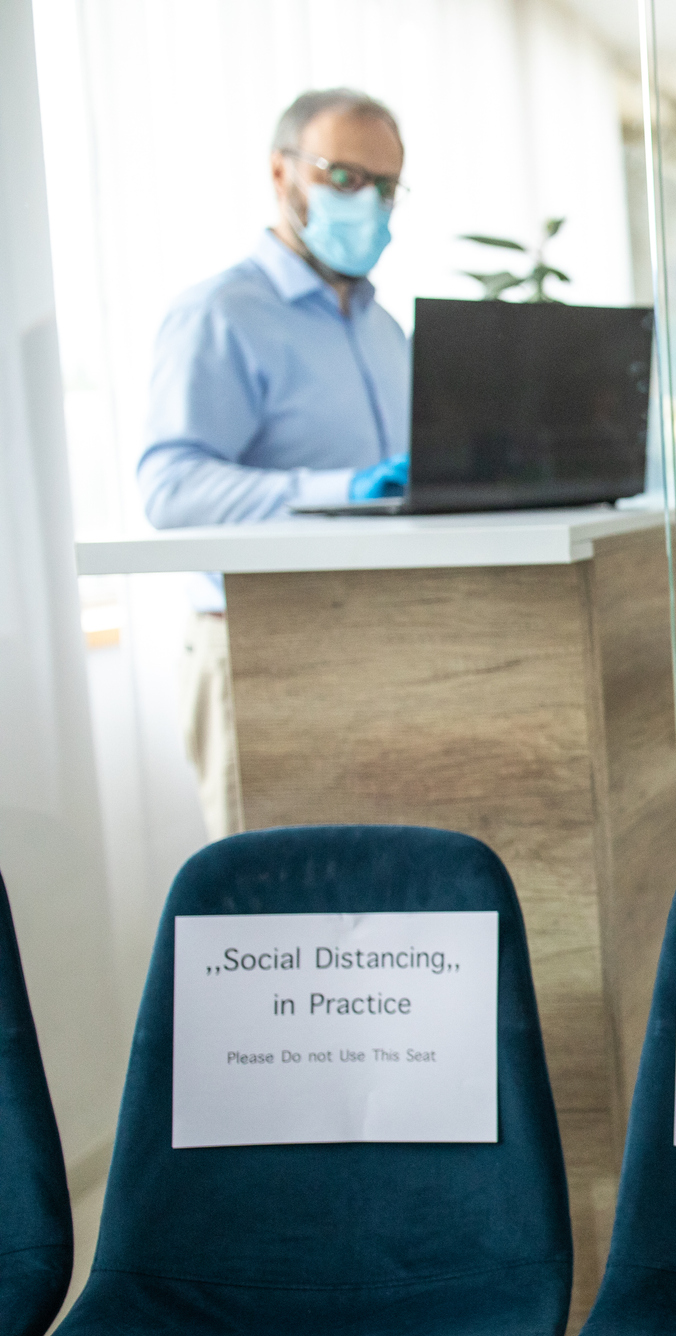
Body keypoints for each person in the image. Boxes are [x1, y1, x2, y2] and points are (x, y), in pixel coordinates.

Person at [140, 88, 413, 839]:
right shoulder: (219, 315)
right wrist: (341, 491)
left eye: (386, 185)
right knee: (272, 924)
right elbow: (170, 487)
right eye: (344, 176)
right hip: (258, 655)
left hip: (382, 645)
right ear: (281, 173)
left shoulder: (386, 330)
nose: (369, 201)